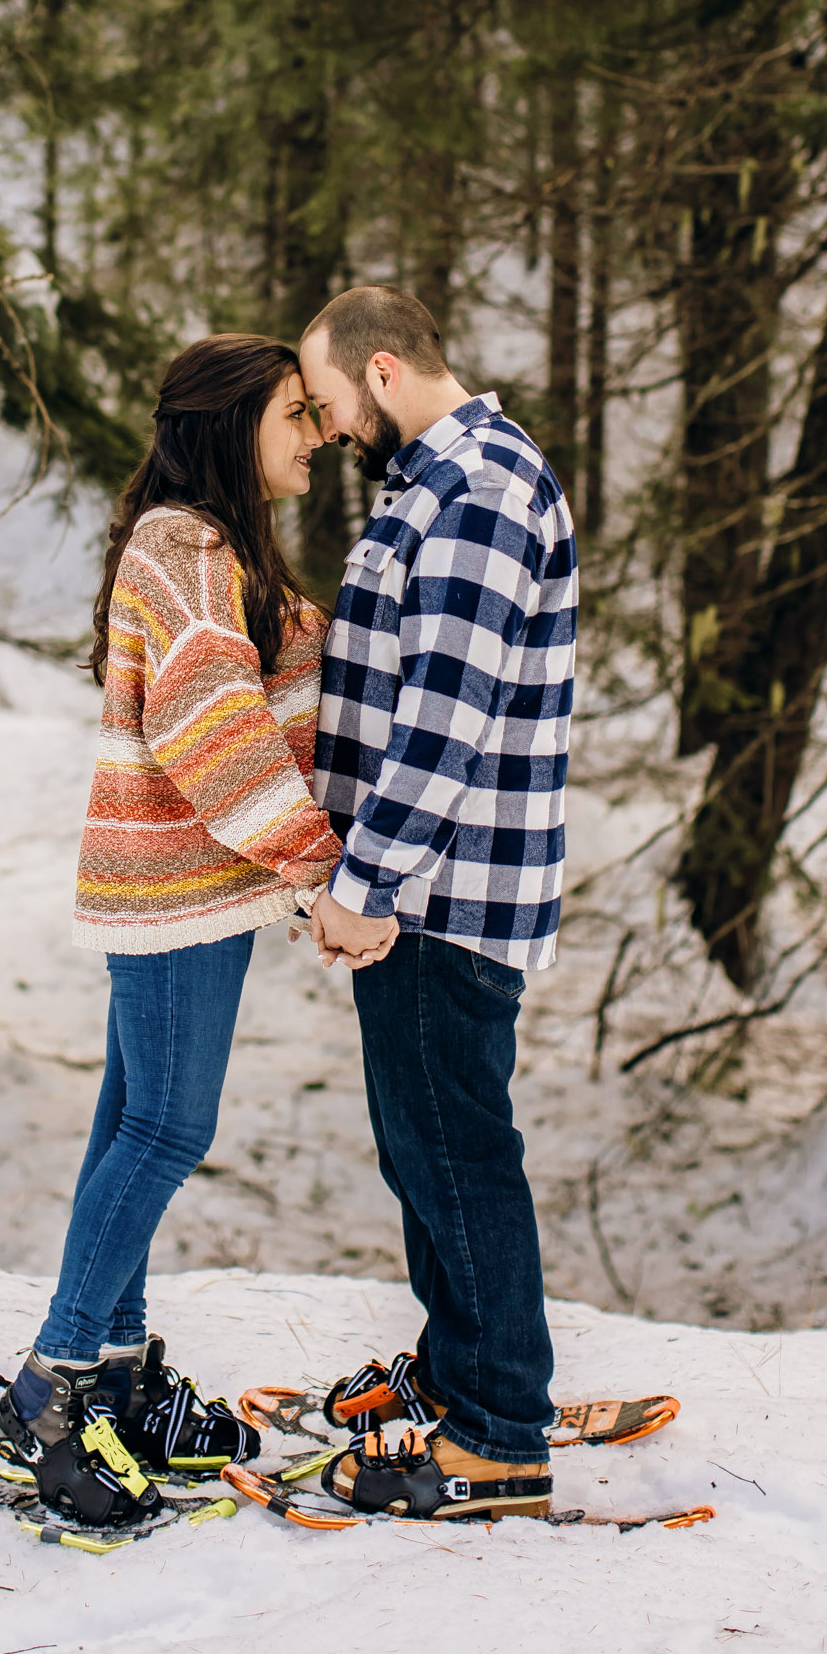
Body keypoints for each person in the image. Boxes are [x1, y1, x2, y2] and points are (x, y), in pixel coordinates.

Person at [0, 334, 386, 1527]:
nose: (313, 437)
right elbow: (210, 725)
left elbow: (276, 671)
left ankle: (114, 1371)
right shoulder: (184, 545)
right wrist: (317, 865)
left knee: (131, 1119)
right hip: (177, 888)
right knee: (163, 1127)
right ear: (227, 423)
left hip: (184, 884)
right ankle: (50, 1387)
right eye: (293, 416)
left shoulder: (204, 546)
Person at [298, 285, 579, 1522]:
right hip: (423, 888)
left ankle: (497, 1430)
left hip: (439, 894)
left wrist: (365, 885)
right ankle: (460, 1368)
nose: (326, 427)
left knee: (457, 1153)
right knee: (425, 1147)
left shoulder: (473, 492)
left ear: (383, 371)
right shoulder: (431, 488)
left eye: (327, 404)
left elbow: (444, 723)